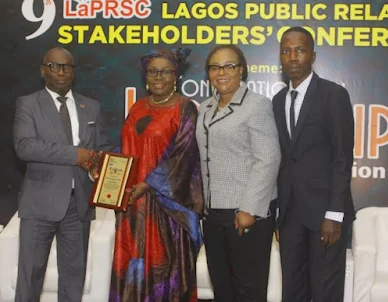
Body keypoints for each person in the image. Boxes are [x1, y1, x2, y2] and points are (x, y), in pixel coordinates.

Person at [13, 47, 112, 302]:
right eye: (54, 66)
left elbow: (103, 149)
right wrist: (76, 155)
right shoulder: (28, 103)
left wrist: (99, 168)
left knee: (73, 280)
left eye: (67, 67)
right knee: (30, 278)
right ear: (43, 69)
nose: (61, 72)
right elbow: (25, 146)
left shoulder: (91, 106)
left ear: (73, 72)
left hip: (78, 207)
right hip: (39, 205)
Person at [109, 48, 203, 302]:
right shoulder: (138, 108)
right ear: (145, 76)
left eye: (166, 71)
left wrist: (147, 184)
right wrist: (107, 169)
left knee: (165, 274)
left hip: (168, 209)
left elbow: (185, 156)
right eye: (153, 71)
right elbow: (126, 148)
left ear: (176, 76)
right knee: (134, 270)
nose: (159, 76)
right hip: (133, 206)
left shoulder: (185, 109)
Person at [272, 27, 355, 302]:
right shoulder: (278, 100)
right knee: (292, 292)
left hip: (326, 216)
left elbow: (343, 158)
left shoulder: (333, 95)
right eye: (286, 51)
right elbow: (286, 160)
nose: (292, 56)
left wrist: (334, 214)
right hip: (290, 215)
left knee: (324, 293)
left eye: (299, 50)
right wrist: (279, 212)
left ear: (313, 56)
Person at [196, 44, 281, 302]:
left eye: (229, 66)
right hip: (213, 213)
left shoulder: (256, 105)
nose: (221, 72)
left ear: (241, 70)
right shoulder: (205, 107)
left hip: (245, 212)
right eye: (215, 67)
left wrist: (249, 209)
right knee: (222, 286)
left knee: (248, 290)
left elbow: (268, 158)